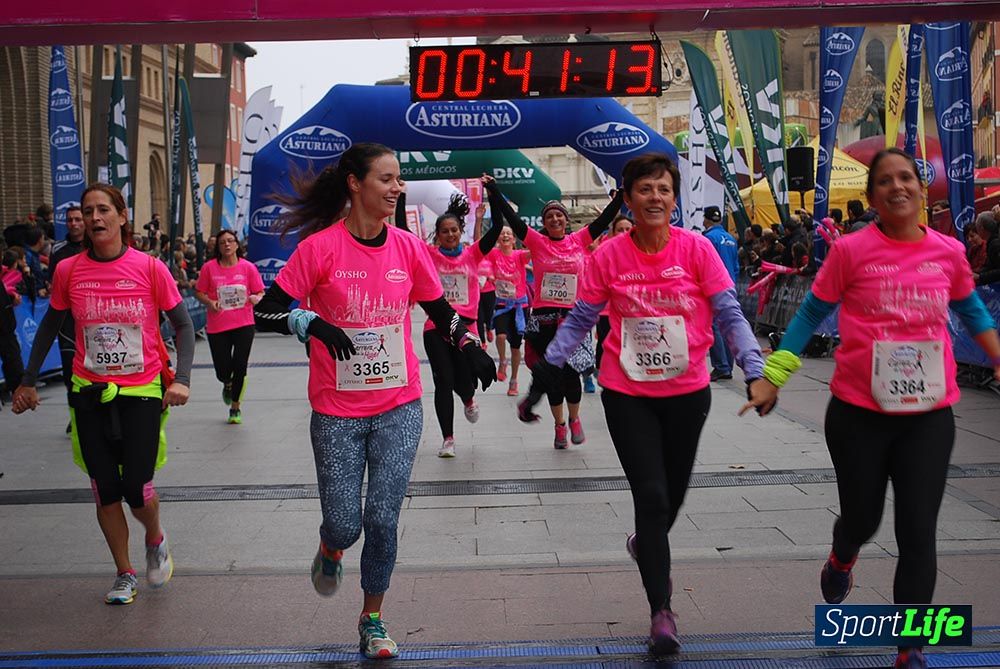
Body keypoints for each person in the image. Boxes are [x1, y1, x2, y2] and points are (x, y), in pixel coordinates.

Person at [519, 152, 774, 656]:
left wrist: (755, 370)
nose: (655, 198)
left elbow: (729, 312)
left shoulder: (697, 250)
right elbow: (578, 321)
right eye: (645, 190)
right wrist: (544, 378)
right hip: (627, 393)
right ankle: (662, 609)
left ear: (674, 198)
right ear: (629, 199)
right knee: (652, 497)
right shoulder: (608, 256)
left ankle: (645, 542)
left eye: (664, 189)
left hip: (686, 393)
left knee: (671, 496)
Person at [757, 148, 1000, 669]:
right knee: (863, 518)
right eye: (885, 181)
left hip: (929, 415)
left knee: (918, 531)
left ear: (920, 186)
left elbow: (971, 306)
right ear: (873, 197)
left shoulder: (948, 251)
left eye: (907, 178)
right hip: (858, 413)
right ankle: (843, 554)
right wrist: (773, 376)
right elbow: (812, 312)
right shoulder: (850, 251)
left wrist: (997, 355)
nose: (898, 187)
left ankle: (909, 650)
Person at [253, 143, 495, 659]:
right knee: (346, 523)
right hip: (336, 412)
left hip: (399, 405)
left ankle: (372, 619)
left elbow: (440, 308)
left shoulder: (408, 248)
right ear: (355, 184)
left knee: (383, 518)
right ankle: (330, 547)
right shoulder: (319, 249)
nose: (396, 188)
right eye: (386, 178)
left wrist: (470, 345)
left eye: (399, 179)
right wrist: (308, 320)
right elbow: (265, 312)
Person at [11, 183, 194, 606]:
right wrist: (27, 379)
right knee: (104, 487)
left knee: (136, 486)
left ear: (122, 216)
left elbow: (182, 325)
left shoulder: (149, 267)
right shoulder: (68, 271)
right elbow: (50, 325)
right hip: (87, 388)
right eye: (87, 211)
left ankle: (155, 536)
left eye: (103, 210)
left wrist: (182, 378)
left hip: (142, 387)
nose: (94, 218)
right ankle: (124, 572)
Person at [491, 184, 624, 449]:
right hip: (543, 318)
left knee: (571, 376)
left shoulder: (580, 240)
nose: (554, 219)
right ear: (544, 222)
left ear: (566, 220)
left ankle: (574, 419)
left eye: (559, 215)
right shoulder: (536, 242)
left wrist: (619, 198)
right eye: (549, 216)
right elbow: (514, 220)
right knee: (551, 377)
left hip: (573, 319)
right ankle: (559, 426)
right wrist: (494, 191)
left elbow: (604, 220)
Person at [403, 188, 511, 458]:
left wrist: (493, 192)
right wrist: (403, 194)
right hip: (436, 327)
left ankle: (468, 398)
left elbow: (497, 226)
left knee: (464, 383)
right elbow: (404, 231)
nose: (450, 235)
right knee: (443, 381)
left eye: (454, 230)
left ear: (460, 231)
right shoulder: (428, 254)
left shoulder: (473, 254)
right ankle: (447, 439)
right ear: (437, 235)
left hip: (467, 329)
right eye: (444, 231)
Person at [194, 229, 265, 424]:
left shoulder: (248, 268)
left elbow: (260, 292)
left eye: (230, 241)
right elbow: (199, 292)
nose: (226, 245)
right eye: (222, 242)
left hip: (244, 323)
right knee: (223, 370)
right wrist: (210, 303)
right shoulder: (210, 268)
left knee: (240, 365)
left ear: (236, 245)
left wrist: (255, 298)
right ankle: (227, 383)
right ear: (218, 247)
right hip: (218, 326)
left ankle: (235, 407)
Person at [48, 205, 86, 433]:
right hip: (67, 323)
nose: (73, 224)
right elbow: (54, 283)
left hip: (91, 319)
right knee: (70, 374)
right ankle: (76, 415)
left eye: (78, 219)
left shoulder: (94, 247)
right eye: (70, 220)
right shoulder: (59, 249)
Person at [488, 222, 531, 396]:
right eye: (502, 233)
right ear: (498, 238)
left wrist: (532, 236)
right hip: (501, 304)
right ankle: (502, 361)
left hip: (520, 306)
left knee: (516, 347)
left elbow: (536, 250)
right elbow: (478, 245)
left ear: (514, 239)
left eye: (509, 233)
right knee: (501, 336)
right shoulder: (493, 254)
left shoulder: (520, 255)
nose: (505, 235)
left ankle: (513, 380)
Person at [703, 206, 739, 381]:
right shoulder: (731, 238)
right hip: (730, 285)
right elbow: (736, 265)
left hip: (713, 286)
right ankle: (727, 366)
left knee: (714, 326)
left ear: (706, 219)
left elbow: (704, 264)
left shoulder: (708, 238)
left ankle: (721, 366)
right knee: (728, 326)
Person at [595, 214, 633, 376]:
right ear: (613, 232)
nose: (624, 232)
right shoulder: (604, 250)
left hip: (633, 313)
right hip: (607, 311)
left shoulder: (644, 251)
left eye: (628, 229)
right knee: (608, 347)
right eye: (620, 230)